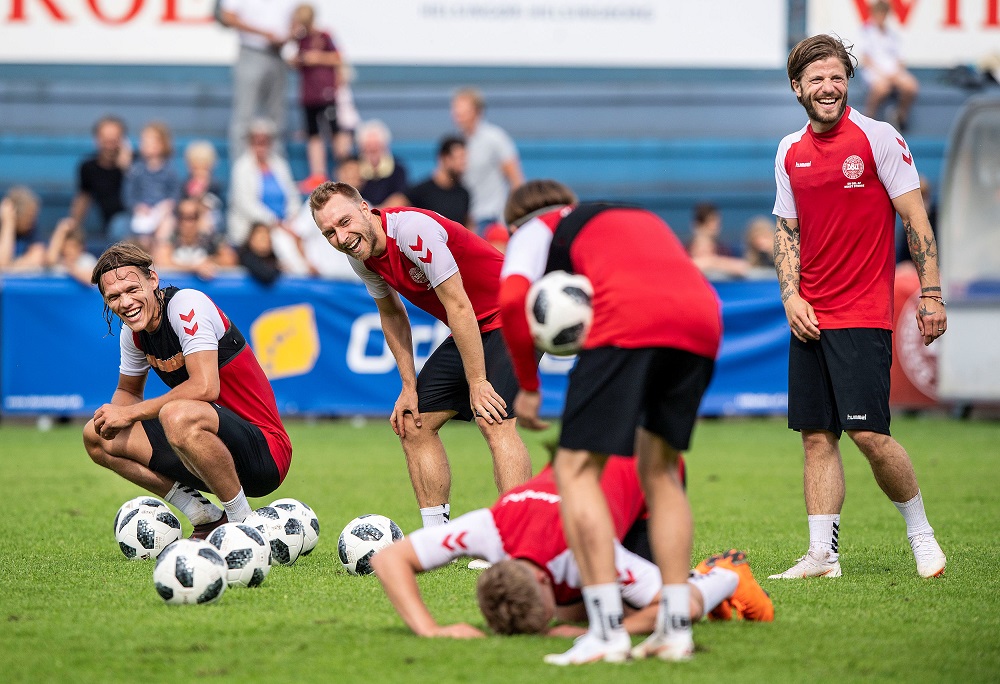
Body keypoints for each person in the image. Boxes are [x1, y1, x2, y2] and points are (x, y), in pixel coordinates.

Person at [497, 180, 722, 664]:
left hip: (630, 320)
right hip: (702, 317)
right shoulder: (632, 217)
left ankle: (605, 630)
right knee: (661, 471)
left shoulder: (533, 228)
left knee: (576, 470)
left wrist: (528, 388)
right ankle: (674, 628)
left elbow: (513, 301)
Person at [770, 34, 946, 580]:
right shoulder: (788, 150)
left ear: (849, 81)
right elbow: (787, 232)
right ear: (797, 87)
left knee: (870, 435)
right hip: (810, 316)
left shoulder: (879, 137)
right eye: (816, 79)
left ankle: (921, 533)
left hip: (863, 313)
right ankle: (823, 555)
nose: (828, 87)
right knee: (817, 435)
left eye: (836, 77)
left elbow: (916, 221)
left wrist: (932, 294)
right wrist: (791, 295)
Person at [309, 182, 532, 532]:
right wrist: (408, 386)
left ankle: (515, 538)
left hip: (513, 314)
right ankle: (436, 537)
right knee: (413, 422)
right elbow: (392, 315)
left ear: (365, 208)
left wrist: (477, 382)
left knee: (493, 417)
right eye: (329, 233)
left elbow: (458, 305)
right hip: (475, 323)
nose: (341, 236)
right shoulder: (362, 256)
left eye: (344, 221)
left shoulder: (413, 232)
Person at [371, 457, 772, 640]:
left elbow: (680, 608)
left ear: (545, 576)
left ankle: (725, 574)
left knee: (658, 607)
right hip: (587, 468)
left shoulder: (583, 549)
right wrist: (430, 630)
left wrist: (604, 630)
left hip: (648, 477)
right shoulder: (488, 529)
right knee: (588, 606)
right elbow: (388, 558)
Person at [82, 242, 292, 536]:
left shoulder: (186, 305)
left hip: (265, 454)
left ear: (152, 280)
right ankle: (204, 516)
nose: (125, 302)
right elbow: (127, 395)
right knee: (94, 434)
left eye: (132, 289)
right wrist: (115, 417)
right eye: (114, 296)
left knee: (177, 414)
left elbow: (205, 387)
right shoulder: (133, 334)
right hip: (201, 452)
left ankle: (243, 527)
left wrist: (129, 415)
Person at [218, 0, 295, 161]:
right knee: (244, 116)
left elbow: (296, 19)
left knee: (277, 116)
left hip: (277, 54)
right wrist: (263, 33)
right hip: (251, 52)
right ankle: (241, 169)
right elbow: (227, 17)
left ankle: (276, 169)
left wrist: (290, 34)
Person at [451, 88, 524, 234]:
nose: (458, 117)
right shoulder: (458, 142)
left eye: (463, 112)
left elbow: (515, 178)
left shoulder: (495, 138)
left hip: (491, 217)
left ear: (477, 111)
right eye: (456, 112)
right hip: (467, 219)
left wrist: (515, 216)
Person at [288, 2, 341, 189]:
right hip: (308, 94)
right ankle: (317, 174)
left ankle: (343, 169)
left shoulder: (324, 36)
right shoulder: (299, 40)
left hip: (325, 93)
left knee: (335, 132)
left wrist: (316, 57)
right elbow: (292, 61)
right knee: (313, 134)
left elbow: (337, 57)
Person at [227, 118, 302, 248]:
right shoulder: (242, 167)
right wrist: (275, 222)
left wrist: (291, 218)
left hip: (285, 225)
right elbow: (245, 204)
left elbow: (292, 194)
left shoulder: (280, 164)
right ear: (250, 142)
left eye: (264, 141)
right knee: (284, 244)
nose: (261, 146)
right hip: (255, 228)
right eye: (257, 141)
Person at [68, 115, 132, 249]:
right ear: (97, 140)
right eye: (105, 140)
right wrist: (73, 226)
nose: (109, 146)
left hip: (136, 220)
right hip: (111, 226)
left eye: (114, 140)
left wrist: (128, 169)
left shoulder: (137, 164)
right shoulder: (89, 167)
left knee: (120, 224)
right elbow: (83, 199)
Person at [860, 1, 919, 131]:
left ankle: (900, 115)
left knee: (911, 86)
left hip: (893, 72)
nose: (881, 17)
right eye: (879, 13)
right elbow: (866, 59)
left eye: (884, 14)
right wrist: (883, 74)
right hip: (875, 72)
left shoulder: (892, 35)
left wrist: (895, 74)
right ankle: (868, 118)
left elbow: (900, 59)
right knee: (882, 88)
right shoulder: (866, 32)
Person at [121, 122, 181, 246]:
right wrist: (137, 206)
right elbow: (129, 194)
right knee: (140, 229)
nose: (145, 145)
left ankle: (160, 254)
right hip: (142, 213)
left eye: (150, 141)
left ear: (162, 145)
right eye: (143, 141)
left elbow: (175, 193)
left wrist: (169, 205)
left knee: (167, 225)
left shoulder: (170, 171)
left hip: (163, 213)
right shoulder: (136, 170)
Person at [153, 198, 238, 280]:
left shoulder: (211, 239)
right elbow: (161, 262)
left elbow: (229, 260)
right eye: (183, 217)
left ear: (200, 218)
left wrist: (210, 262)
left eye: (193, 217)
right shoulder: (170, 239)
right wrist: (194, 268)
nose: (187, 223)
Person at [403, 136, 472, 227]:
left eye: (464, 158)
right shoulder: (421, 191)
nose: (463, 163)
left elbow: (468, 226)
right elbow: (395, 205)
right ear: (444, 158)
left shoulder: (463, 194)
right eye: (460, 157)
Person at [687, 202, 750, 278]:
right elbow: (682, 268)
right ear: (697, 224)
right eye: (710, 221)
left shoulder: (723, 250)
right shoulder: (684, 250)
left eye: (716, 221)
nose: (715, 225)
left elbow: (742, 267)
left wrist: (712, 262)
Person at [355, 119, 409, 208]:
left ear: (385, 146)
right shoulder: (354, 167)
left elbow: (401, 199)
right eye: (368, 145)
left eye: (376, 145)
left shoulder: (398, 169)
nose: (372, 149)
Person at [181, 140, 225, 234]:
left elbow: (217, 205)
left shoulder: (215, 185)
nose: (200, 171)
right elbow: (182, 205)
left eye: (204, 167)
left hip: (212, 223)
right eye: (196, 167)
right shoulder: (185, 185)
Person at [0, 186, 46, 272]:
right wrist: (8, 223)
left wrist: (11, 265)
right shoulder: (5, 224)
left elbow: (38, 256)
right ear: (15, 213)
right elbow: (2, 262)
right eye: (29, 217)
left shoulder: (31, 227)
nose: (32, 221)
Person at [46, 217, 97, 286]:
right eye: (65, 247)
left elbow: (91, 280)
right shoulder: (58, 260)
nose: (68, 251)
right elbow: (50, 259)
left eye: (73, 246)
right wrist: (61, 230)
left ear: (81, 247)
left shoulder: (87, 260)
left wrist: (71, 267)